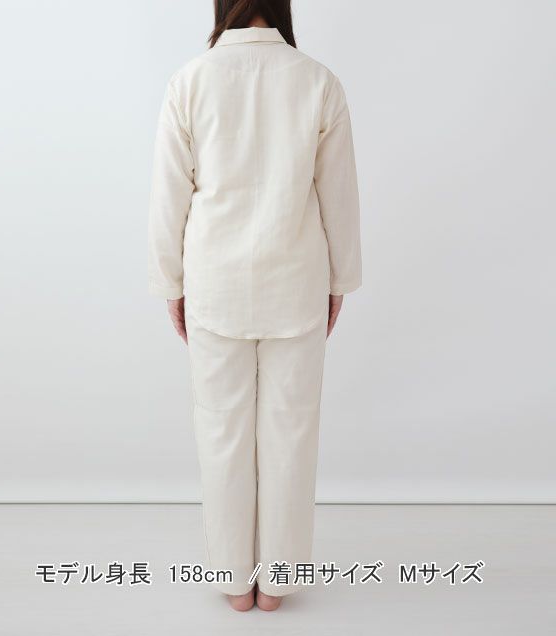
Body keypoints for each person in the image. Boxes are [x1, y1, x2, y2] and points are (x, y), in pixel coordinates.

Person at [148, 0, 361, 612]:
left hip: (215, 284)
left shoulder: (190, 81)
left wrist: (170, 284)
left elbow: (169, 195)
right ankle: (278, 584)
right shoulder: (318, 81)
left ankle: (233, 582)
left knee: (221, 430)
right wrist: (339, 280)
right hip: (297, 281)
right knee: (292, 432)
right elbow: (339, 194)